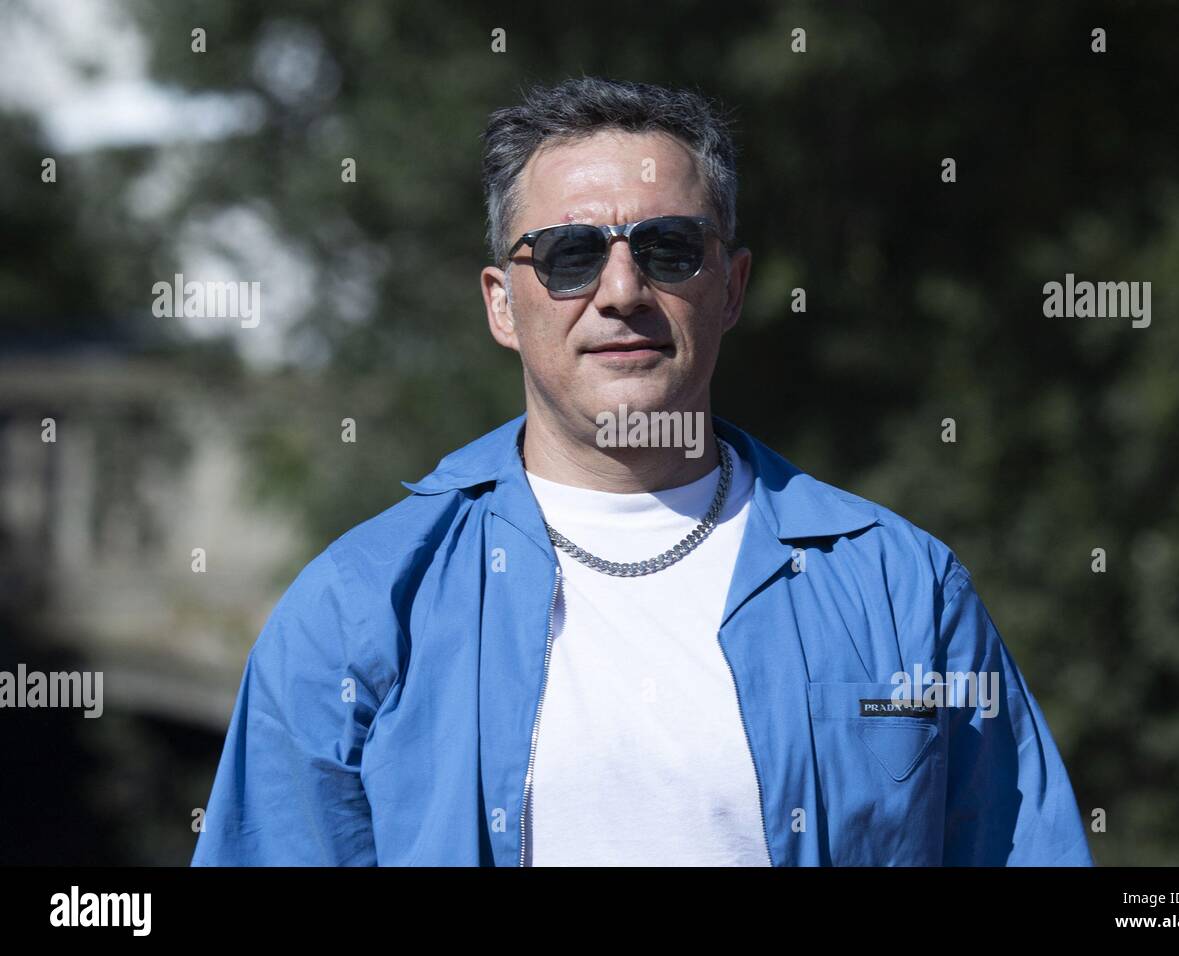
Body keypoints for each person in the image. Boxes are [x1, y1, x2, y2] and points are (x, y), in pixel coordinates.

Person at [191, 76, 1093, 866]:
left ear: (731, 287)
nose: (621, 291)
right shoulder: (361, 608)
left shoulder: (904, 592)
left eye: (667, 250)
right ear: (502, 305)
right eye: (571, 255)